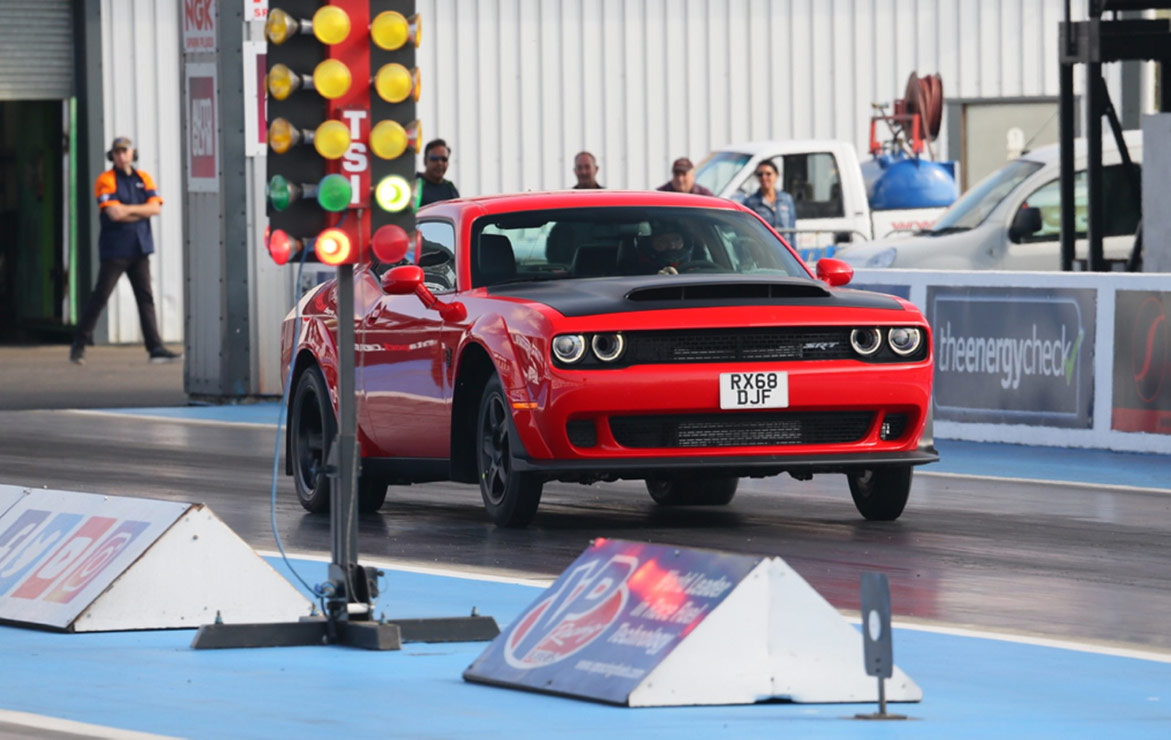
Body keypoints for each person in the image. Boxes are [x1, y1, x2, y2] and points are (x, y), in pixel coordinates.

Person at [70, 137, 180, 365]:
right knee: (100, 297)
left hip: (140, 248)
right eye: (117, 152)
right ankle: (79, 344)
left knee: (145, 298)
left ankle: (155, 347)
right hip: (116, 250)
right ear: (113, 156)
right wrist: (140, 210)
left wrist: (127, 209)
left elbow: (156, 208)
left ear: (132, 153)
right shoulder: (106, 180)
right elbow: (114, 214)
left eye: (125, 151)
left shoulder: (143, 178)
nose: (122, 156)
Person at [742, 158, 797, 243]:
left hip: (784, 250)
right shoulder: (750, 202)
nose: (764, 177)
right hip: (763, 250)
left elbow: (792, 232)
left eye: (768, 174)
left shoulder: (786, 199)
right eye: (760, 174)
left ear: (776, 175)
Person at [415, 138, 460, 207]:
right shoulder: (414, 183)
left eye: (444, 159)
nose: (439, 163)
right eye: (434, 158)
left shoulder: (450, 188)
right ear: (425, 160)